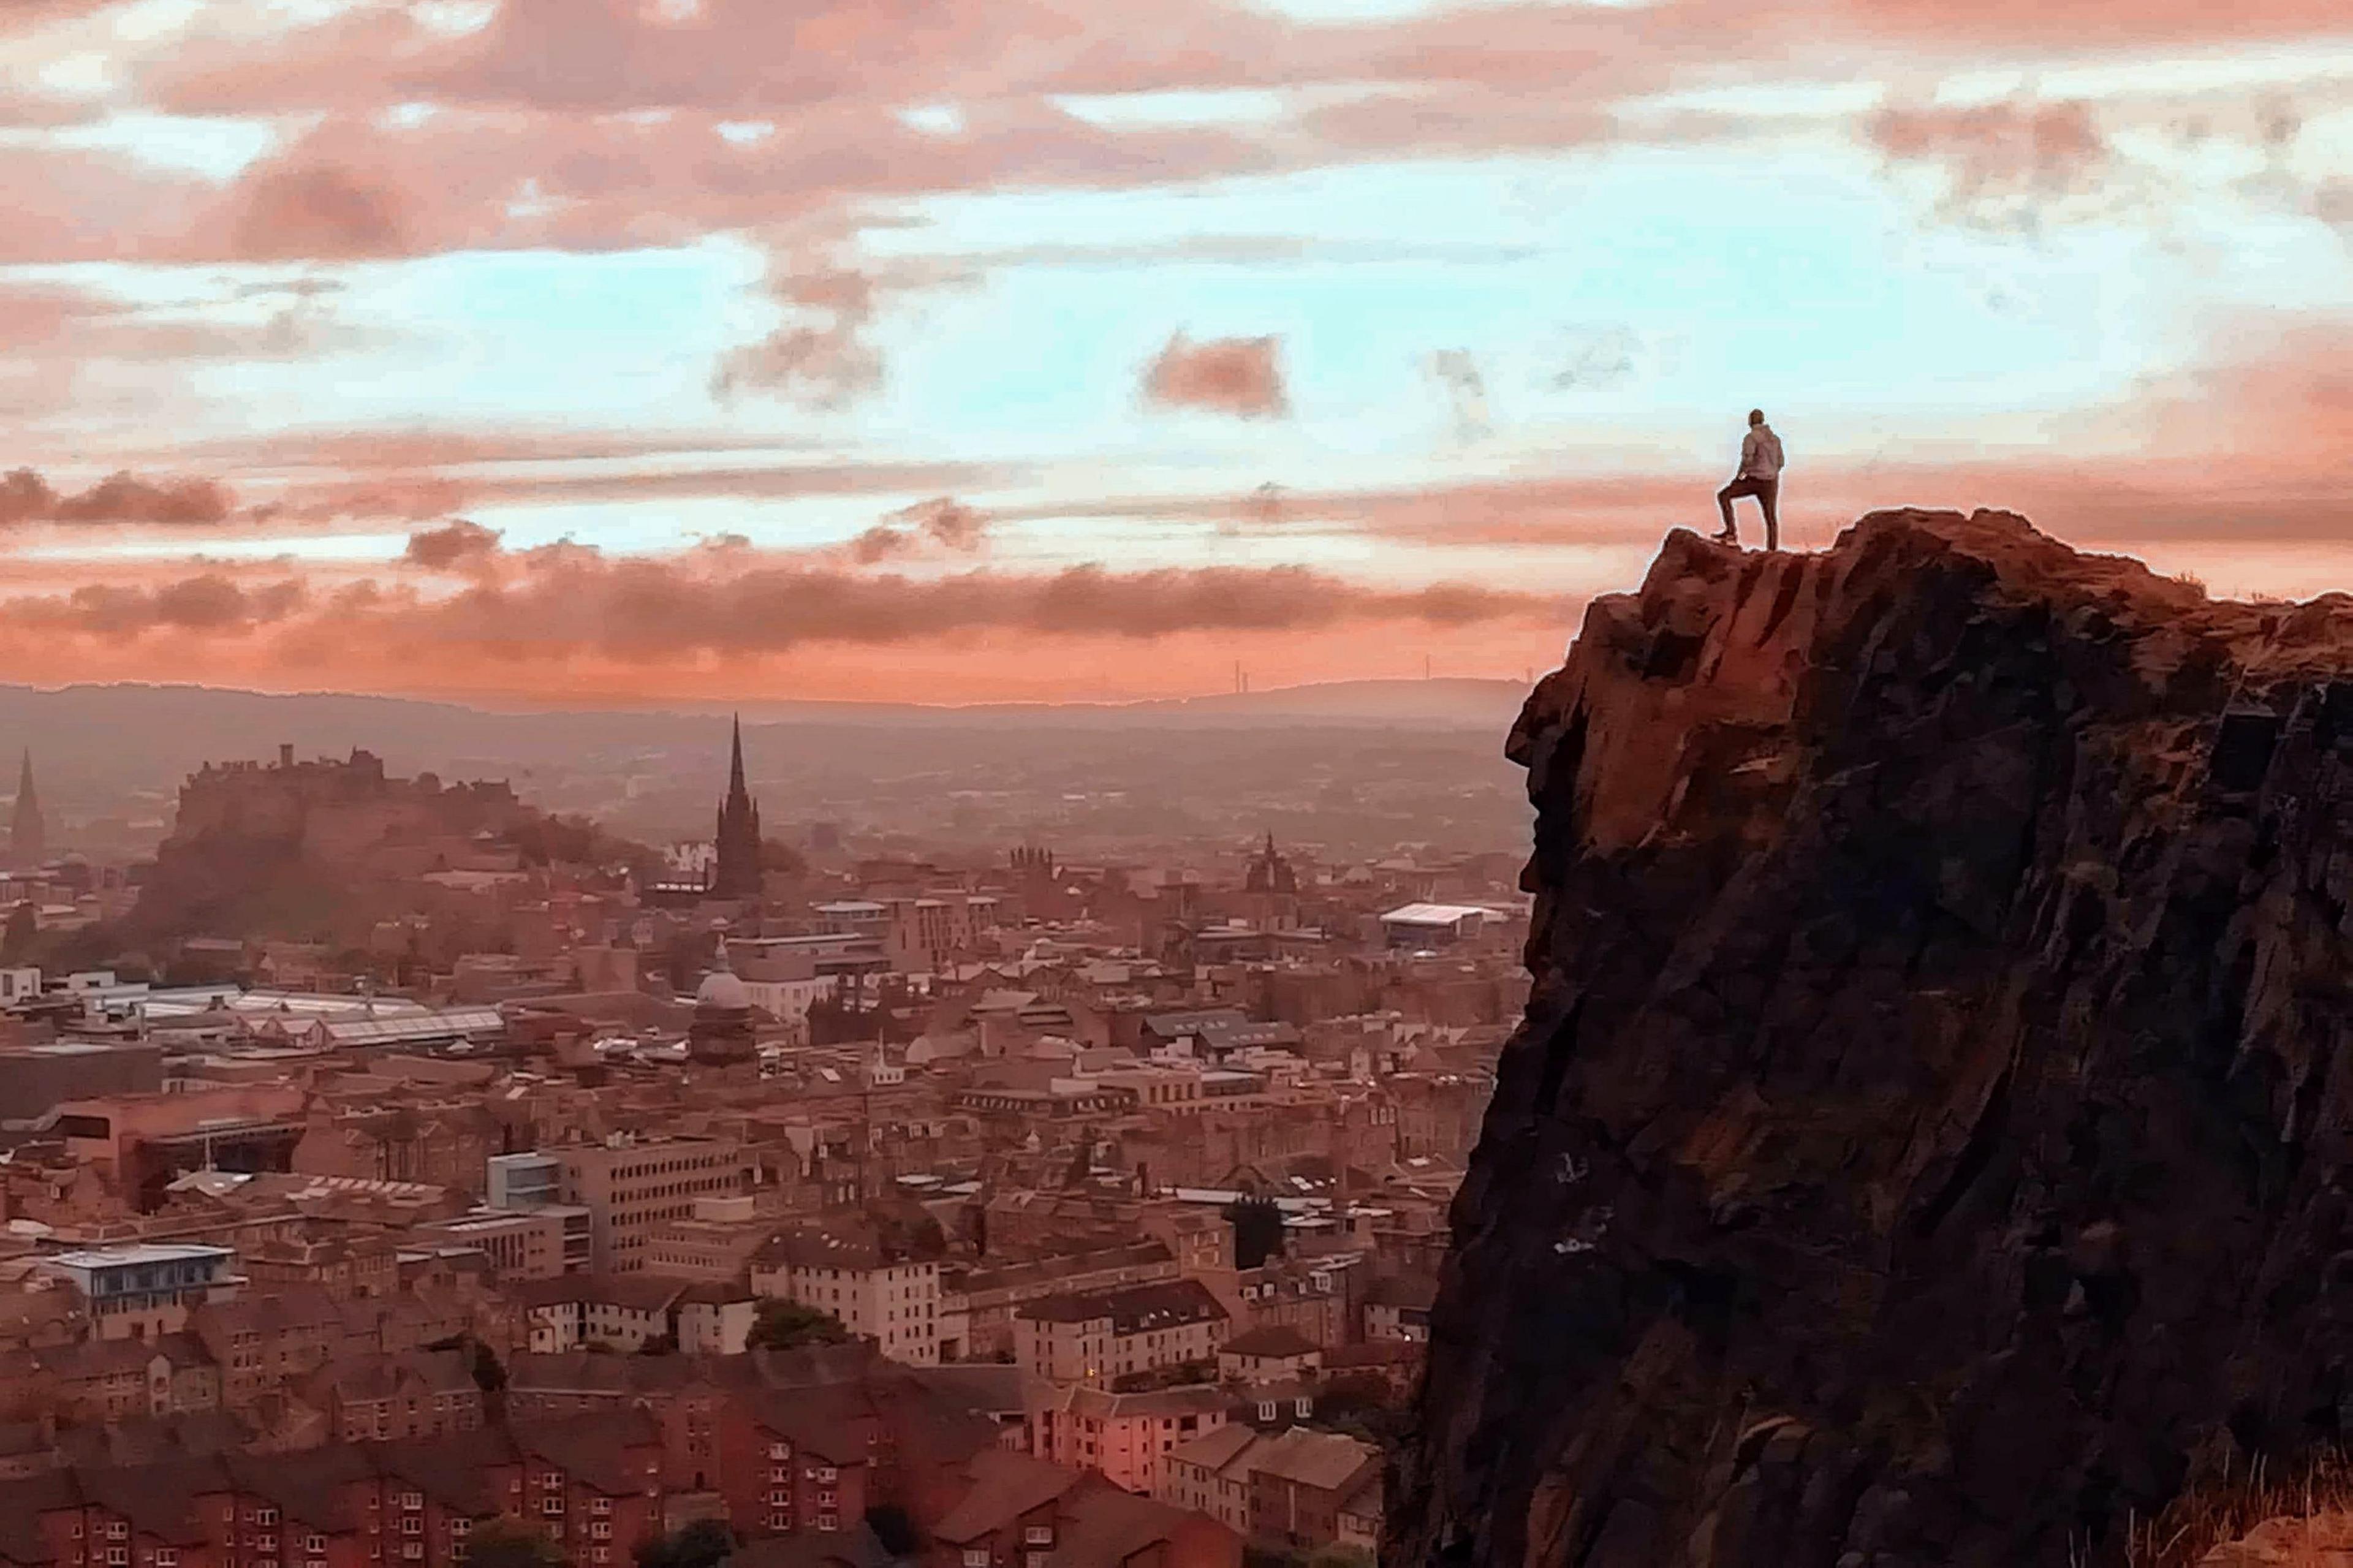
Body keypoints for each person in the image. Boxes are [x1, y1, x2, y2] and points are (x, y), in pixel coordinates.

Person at [1715, 409, 1783, 551]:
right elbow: (1781, 462)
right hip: (1771, 482)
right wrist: (1771, 474)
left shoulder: (1751, 438)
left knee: (1724, 496)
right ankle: (1772, 550)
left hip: (1754, 480)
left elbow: (1747, 460)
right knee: (1771, 517)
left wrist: (1739, 477)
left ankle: (1731, 533)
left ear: (1751, 421)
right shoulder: (1775, 439)